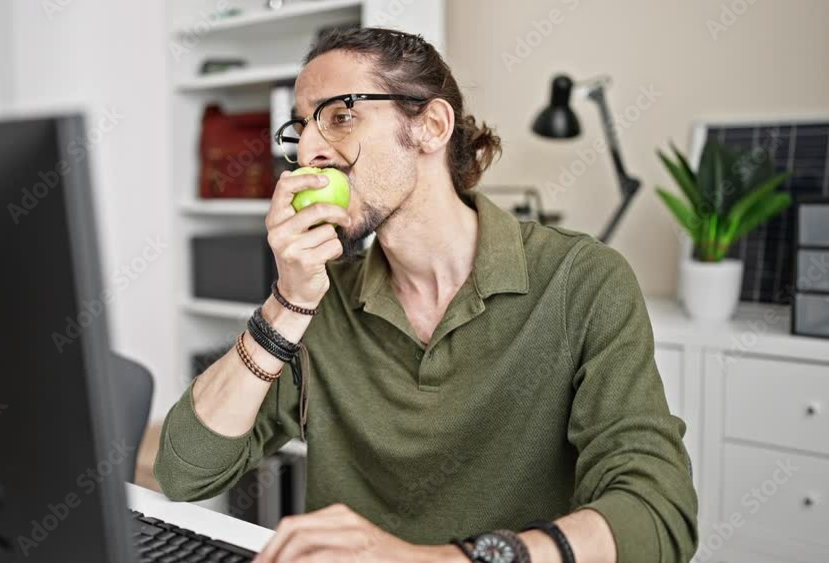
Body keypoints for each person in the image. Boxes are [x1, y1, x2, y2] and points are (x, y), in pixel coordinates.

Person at [155, 27, 697, 563]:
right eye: (300, 129)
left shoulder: (582, 280)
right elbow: (186, 472)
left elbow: (657, 512)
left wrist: (444, 560)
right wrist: (287, 303)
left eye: (340, 115)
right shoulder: (320, 299)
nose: (310, 150)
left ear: (431, 126)